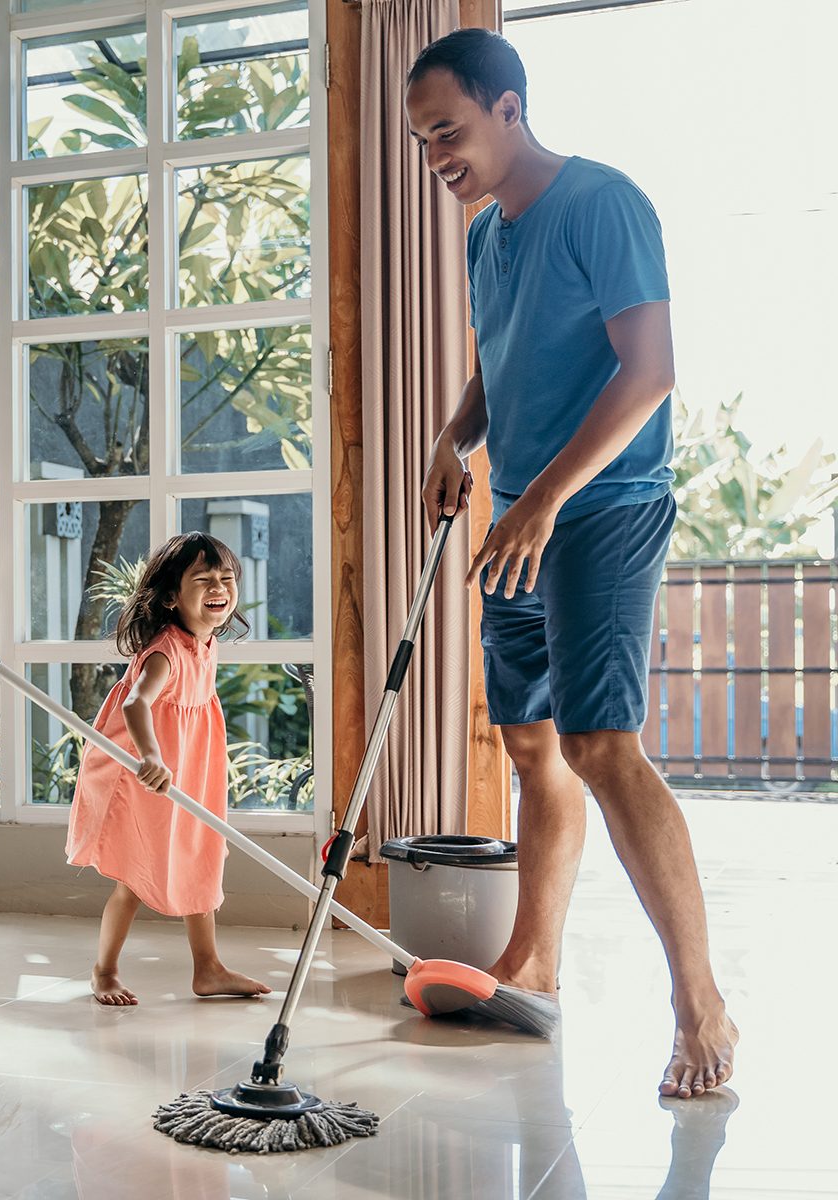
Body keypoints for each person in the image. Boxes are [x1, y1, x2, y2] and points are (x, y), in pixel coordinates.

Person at [406, 28, 737, 1099]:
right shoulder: (484, 236)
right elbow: (497, 362)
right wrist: (456, 440)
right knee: (530, 743)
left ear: (510, 108)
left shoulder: (602, 202)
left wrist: (543, 496)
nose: (436, 157)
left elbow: (651, 371)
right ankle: (533, 965)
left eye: (447, 132)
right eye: (421, 141)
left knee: (600, 743)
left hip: (600, 505)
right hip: (521, 514)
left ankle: (700, 1003)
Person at [66, 531, 272, 1007]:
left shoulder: (206, 641)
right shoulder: (166, 650)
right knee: (135, 874)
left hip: (191, 766)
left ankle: (209, 969)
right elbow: (138, 704)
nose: (218, 586)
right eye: (203, 579)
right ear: (172, 597)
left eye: (226, 577)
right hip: (144, 770)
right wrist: (152, 757)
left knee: (200, 857)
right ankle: (105, 971)